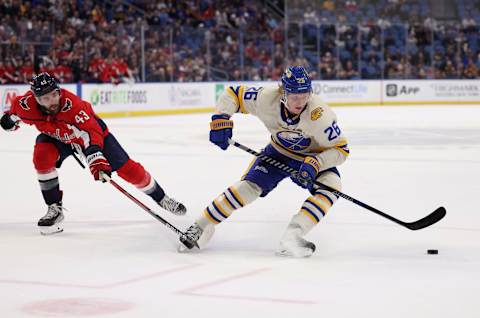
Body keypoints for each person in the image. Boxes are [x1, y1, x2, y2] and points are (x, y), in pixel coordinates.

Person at [180, 66, 349, 257]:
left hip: (309, 159)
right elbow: (233, 94)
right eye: (295, 96)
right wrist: (221, 117)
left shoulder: (320, 115)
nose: (301, 101)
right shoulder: (267, 98)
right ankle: (201, 226)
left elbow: (341, 149)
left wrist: (317, 162)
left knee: (332, 187)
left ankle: (292, 236)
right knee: (247, 188)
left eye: (305, 94)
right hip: (277, 153)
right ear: (282, 93)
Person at [0, 72, 186, 235]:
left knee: (129, 171)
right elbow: (13, 117)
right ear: (36, 99)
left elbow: (91, 132)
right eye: (45, 98)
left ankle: (162, 198)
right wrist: (9, 122)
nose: (52, 101)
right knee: (41, 157)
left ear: (58, 91)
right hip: (59, 138)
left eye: (54, 95)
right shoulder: (24, 105)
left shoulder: (74, 106)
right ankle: (54, 208)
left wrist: (95, 157)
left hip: (93, 136)